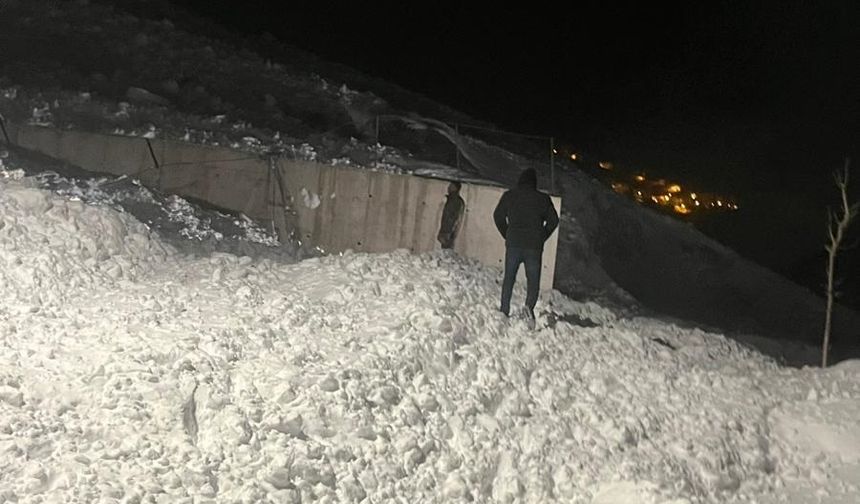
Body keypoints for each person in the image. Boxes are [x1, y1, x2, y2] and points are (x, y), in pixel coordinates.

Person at [493, 168, 559, 326]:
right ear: (534, 182)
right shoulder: (543, 199)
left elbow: (498, 216)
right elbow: (553, 221)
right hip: (533, 247)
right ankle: (528, 309)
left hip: (514, 244)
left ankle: (504, 310)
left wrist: (507, 233)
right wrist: (542, 236)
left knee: (509, 278)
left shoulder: (510, 195)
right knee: (533, 281)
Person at [437, 181, 465, 249]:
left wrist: (446, 233)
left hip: (448, 232)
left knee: (446, 248)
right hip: (448, 232)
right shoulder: (453, 200)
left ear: (455, 188)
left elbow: (453, 218)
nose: (448, 188)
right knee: (445, 248)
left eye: (451, 186)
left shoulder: (455, 201)